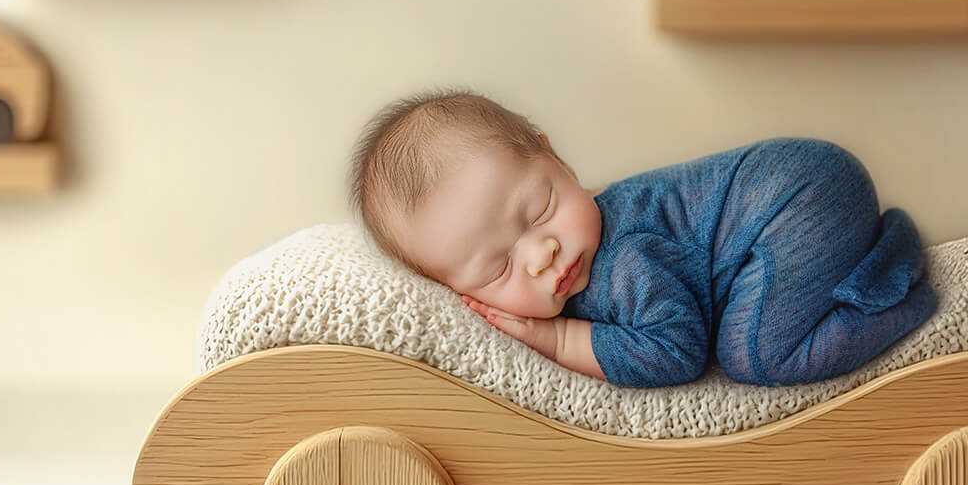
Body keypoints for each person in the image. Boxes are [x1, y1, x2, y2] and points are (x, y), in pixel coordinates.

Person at [350, 90, 935, 387]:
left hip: (796, 198)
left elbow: (676, 350)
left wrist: (559, 341)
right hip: (802, 183)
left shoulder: (622, 261)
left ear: (554, 156)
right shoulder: (573, 252)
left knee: (756, 353)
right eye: (497, 269)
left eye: (541, 209)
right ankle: (880, 251)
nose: (541, 253)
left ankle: (904, 295)